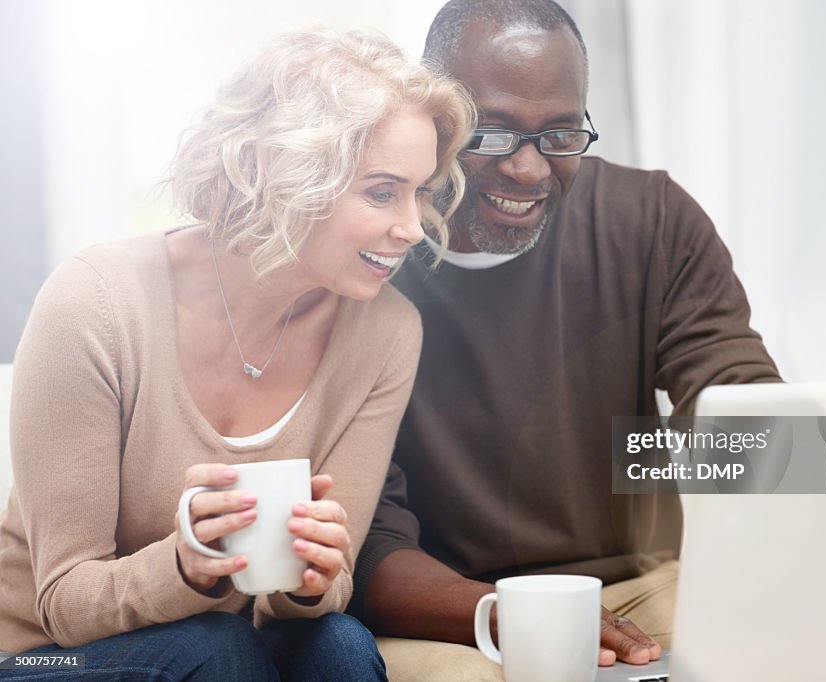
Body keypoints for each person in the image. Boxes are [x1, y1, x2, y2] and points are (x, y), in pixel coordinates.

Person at [0, 30, 474, 679]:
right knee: (214, 649)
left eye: (421, 192)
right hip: (48, 656)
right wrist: (184, 564)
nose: (414, 227)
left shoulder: (387, 331)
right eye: (384, 191)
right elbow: (64, 606)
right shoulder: (95, 302)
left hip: (237, 645)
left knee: (339, 643)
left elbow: (328, 593)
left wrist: (310, 579)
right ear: (288, 176)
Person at [346, 2, 782, 680]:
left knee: (782, 640)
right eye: (491, 134)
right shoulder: (369, 259)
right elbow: (369, 548)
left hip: (640, 587)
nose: (529, 170)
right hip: (458, 615)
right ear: (433, 117)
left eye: (560, 134)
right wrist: (506, 614)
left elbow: (731, 403)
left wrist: (816, 472)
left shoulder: (649, 220)